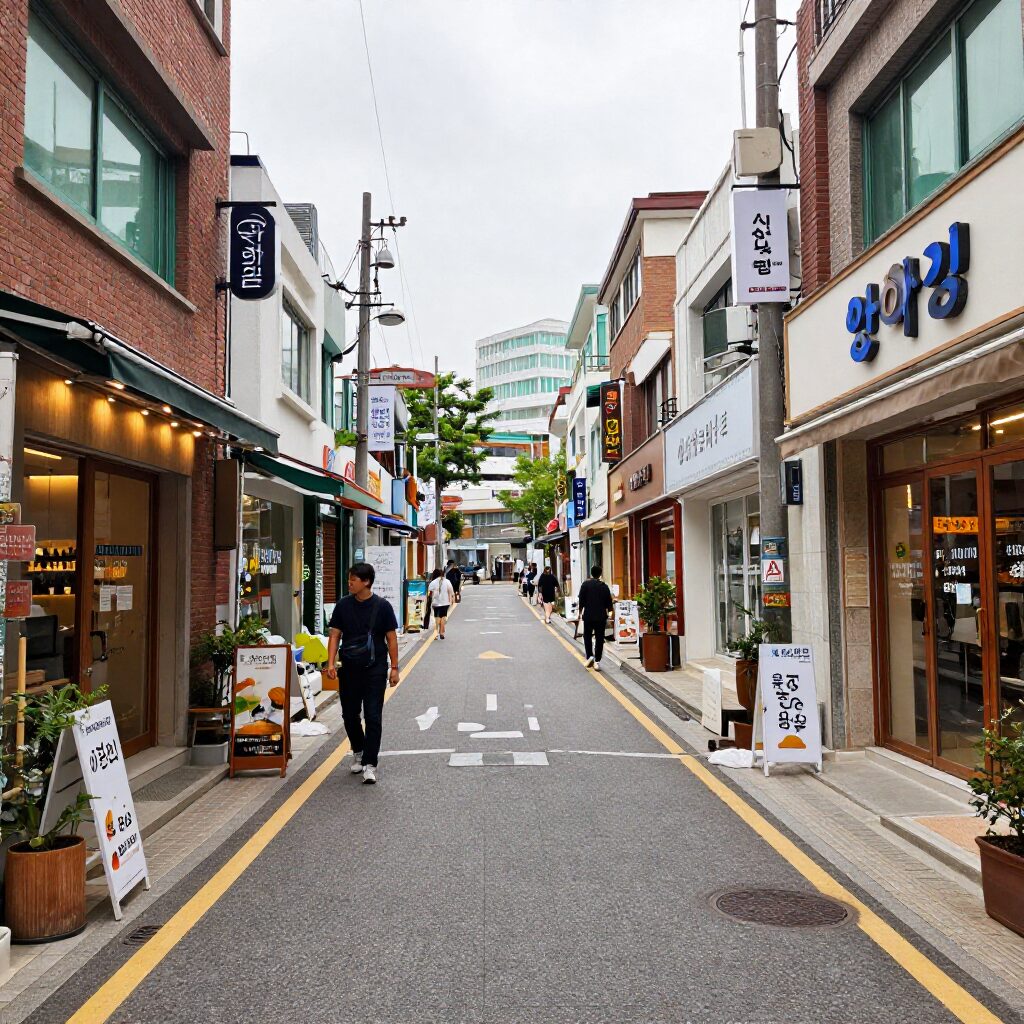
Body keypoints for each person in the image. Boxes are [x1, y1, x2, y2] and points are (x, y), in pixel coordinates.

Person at [326, 562, 400, 785]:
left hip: (375, 669)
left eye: (353, 579)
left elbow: (392, 638)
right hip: (349, 668)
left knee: (373, 716)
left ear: (366, 582)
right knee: (349, 715)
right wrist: (331, 663)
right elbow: (335, 635)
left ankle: (370, 763)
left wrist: (394, 668)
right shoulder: (343, 606)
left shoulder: (382, 606)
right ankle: (358, 749)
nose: (349, 582)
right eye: (349, 578)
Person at [577, 564, 614, 670]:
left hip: (588, 615)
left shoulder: (585, 585)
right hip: (601, 616)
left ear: (591, 573)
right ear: (600, 574)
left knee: (587, 636)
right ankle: (597, 661)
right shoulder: (604, 586)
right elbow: (609, 604)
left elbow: (581, 601)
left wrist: (579, 613)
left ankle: (590, 656)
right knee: (599, 638)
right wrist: (610, 614)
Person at [427, 567, 455, 639]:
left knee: (437, 617)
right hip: (445, 602)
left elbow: (429, 593)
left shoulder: (433, 582)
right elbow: (451, 591)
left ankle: (436, 633)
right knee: (443, 616)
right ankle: (442, 633)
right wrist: (452, 599)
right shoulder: (447, 581)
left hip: (436, 602)